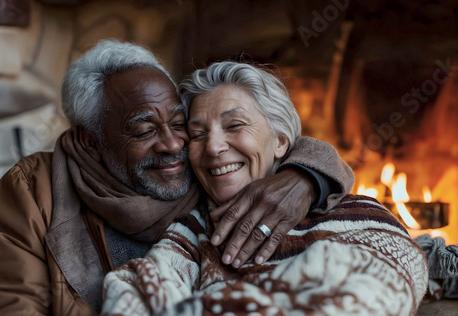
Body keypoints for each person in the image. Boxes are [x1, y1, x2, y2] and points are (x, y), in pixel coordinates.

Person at [0, 41, 354, 315]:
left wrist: (305, 177)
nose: (172, 144)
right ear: (92, 139)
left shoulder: (207, 170)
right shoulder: (37, 191)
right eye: (144, 129)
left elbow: (274, 142)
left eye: (179, 123)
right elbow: (7, 303)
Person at [101, 61, 429, 316]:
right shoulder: (193, 231)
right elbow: (135, 291)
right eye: (198, 134)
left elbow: (381, 288)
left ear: (281, 142)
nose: (213, 147)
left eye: (235, 125)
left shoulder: (357, 213)